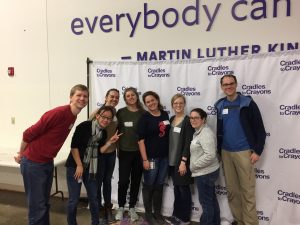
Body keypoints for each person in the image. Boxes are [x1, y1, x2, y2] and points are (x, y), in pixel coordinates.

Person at [14, 84, 89, 225]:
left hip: (47, 162)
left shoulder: (73, 116)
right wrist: (21, 153)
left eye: (85, 96)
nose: (82, 98)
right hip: (33, 163)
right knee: (37, 207)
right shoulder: (58, 113)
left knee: (44, 204)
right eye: (78, 95)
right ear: (71, 97)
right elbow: (28, 133)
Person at [215, 74, 266, 225]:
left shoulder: (247, 103)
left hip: (245, 152)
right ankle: (239, 220)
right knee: (232, 192)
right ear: (222, 87)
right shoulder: (220, 105)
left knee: (248, 192)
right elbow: (220, 130)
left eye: (231, 83)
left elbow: (260, 130)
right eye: (225, 84)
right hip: (226, 153)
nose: (228, 86)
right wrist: (219, 151)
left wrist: (257, 151)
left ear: (236, 85)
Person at [65, 106, 122, 225]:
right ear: (97, 116)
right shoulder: (84, 126)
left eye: (109, 118)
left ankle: (95, 222)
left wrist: (110, 142)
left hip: (91, 169)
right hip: (75, 167)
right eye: (104, 117)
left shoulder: (103, 132)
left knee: (94, 199)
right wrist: (79, 165)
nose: (106, 120)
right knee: (73, 200)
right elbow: (74, 147)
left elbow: (100, 151)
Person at [137, 91, 170, 225]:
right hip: (151, 158)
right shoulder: (144, 118)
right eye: (148, 102)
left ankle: (157, 213)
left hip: (164, 157)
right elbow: (141, 141)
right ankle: (148, 214)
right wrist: (145, 160)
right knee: (149, 185)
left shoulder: (164, 114)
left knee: (159, 185)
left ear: (157, 100)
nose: (151, 103)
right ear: (145, 104)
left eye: (153, 100)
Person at [115, 87, 145, 222]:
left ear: (136, 96)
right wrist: (115, 148)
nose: (131, 97)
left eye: (133, 95)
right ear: (125, 98)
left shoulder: (143, 113)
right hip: (124, 152)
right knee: (123, 181)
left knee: (136, 180)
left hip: (139, 153)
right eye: (128, 96)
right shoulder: (120, 113)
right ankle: (121, 207)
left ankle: (132, 207)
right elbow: (114, 131)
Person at [165, 94, 194, 225]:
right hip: (171, 161)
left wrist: (183, 162)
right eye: (176, 103)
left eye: (181, 103)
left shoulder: (188, 121)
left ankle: (185, 219)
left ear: (184, 104)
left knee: (183, 190)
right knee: (177, 189)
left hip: (181, 162)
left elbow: (188, 143)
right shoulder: (171, 119)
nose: (178, 105)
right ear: (172, 105)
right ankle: (176, 216)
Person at [189, 108, 220, 225]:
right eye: (191, 118)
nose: (193, 120)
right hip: (206, 172)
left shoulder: (205, 133)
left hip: (205, 173)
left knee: (206, 204)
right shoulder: (198, 131)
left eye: (196, 118)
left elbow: (210, 155)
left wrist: (194, 166)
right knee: (211, 201)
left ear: (203, 119)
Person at [97, 88, 120, 223]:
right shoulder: (98, 112)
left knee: (107, 182)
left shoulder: (116, 113)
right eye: (112, 97)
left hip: (111, 154)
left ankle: (107, 209)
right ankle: (98, 209)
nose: (114, 99)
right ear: (106, 97)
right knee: (98, 182)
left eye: (117, 98)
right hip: (99, 155)